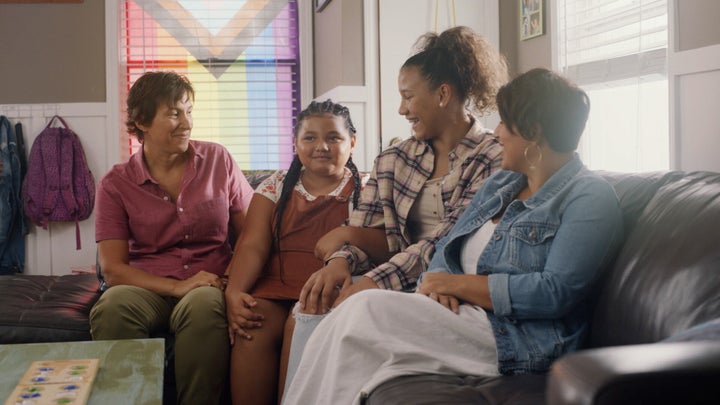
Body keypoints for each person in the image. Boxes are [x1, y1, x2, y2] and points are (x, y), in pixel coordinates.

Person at [283, 68, 624, 404]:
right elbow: (447, 244)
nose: (499, 133)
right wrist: (437, 281)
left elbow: (555, 292)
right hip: (461, 316)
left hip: (514, 336)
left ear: (533, 132)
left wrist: (454, 286)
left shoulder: (589, 197)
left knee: (362, 311)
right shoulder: (501, 184)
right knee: (350, 337)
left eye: (506, 124)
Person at [281, 27, 508, 395]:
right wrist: (340, 261)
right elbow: (366, 224)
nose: (402, 109)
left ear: (443, 94)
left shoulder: (493, 157)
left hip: (443, 287)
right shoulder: (394, 158)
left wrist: (372, 282)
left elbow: (446, 242)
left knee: (351, 312)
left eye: (408, 97)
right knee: (312, 308)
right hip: (394, 280)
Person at [89, 71, 254, 405]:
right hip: (147, 287)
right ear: (142, 122)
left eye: (189, 111)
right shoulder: (115, 184)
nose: (186, 122)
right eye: (174, 113)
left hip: (209, 283)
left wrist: (228, 279)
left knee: (205, 303)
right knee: (113, 307)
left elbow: (253, 233)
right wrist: (178, 286)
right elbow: (114, 269)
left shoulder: (218, 160)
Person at [224, 100, 365, 405]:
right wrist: (234, 291)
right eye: (310, 138)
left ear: (352, 142)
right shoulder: (275, 186)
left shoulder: (365, 190)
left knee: (299, 322)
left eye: (333, 137)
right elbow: (253, 245)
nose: (321, 146)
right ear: (296, 143)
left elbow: (378, 241)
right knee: (253, 325)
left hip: (327, 288)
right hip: (276, 284)